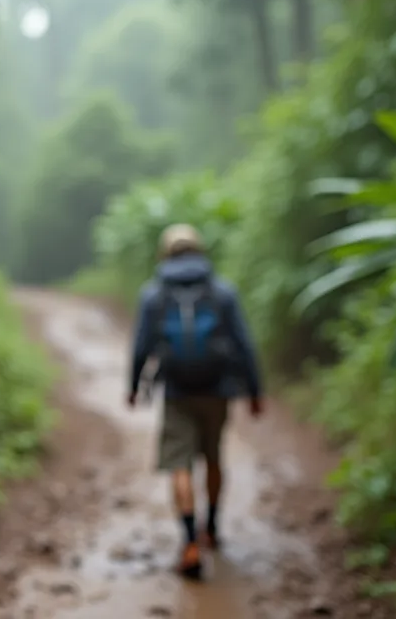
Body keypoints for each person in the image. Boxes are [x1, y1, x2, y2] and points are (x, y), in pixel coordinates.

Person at [127, 223, 263, 579]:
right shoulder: (222, 291)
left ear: (165, 253)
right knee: (213, 457)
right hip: (218, 389)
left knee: (180, 465)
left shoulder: (154, 294)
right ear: (199, 250)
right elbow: (244, 344)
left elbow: (141, 346)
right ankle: (212, 529)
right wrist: (254, 390)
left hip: (177, 392)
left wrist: (134, 386)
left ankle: (189, 542)